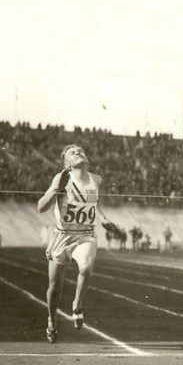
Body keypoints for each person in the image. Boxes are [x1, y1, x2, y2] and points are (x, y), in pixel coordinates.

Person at [37, 144, 105, 344]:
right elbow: (41, 207)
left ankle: (77, 304)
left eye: (81, 150)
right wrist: (56, 190)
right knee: (54, 288)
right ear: (67, 163)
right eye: (72, 152)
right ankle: (52, 319)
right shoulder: (61, 178)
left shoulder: (96, 180)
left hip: (85, 235)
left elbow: (92, 204)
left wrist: (104, 220)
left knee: (85, 267)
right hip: (63, 236)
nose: (78, 152)